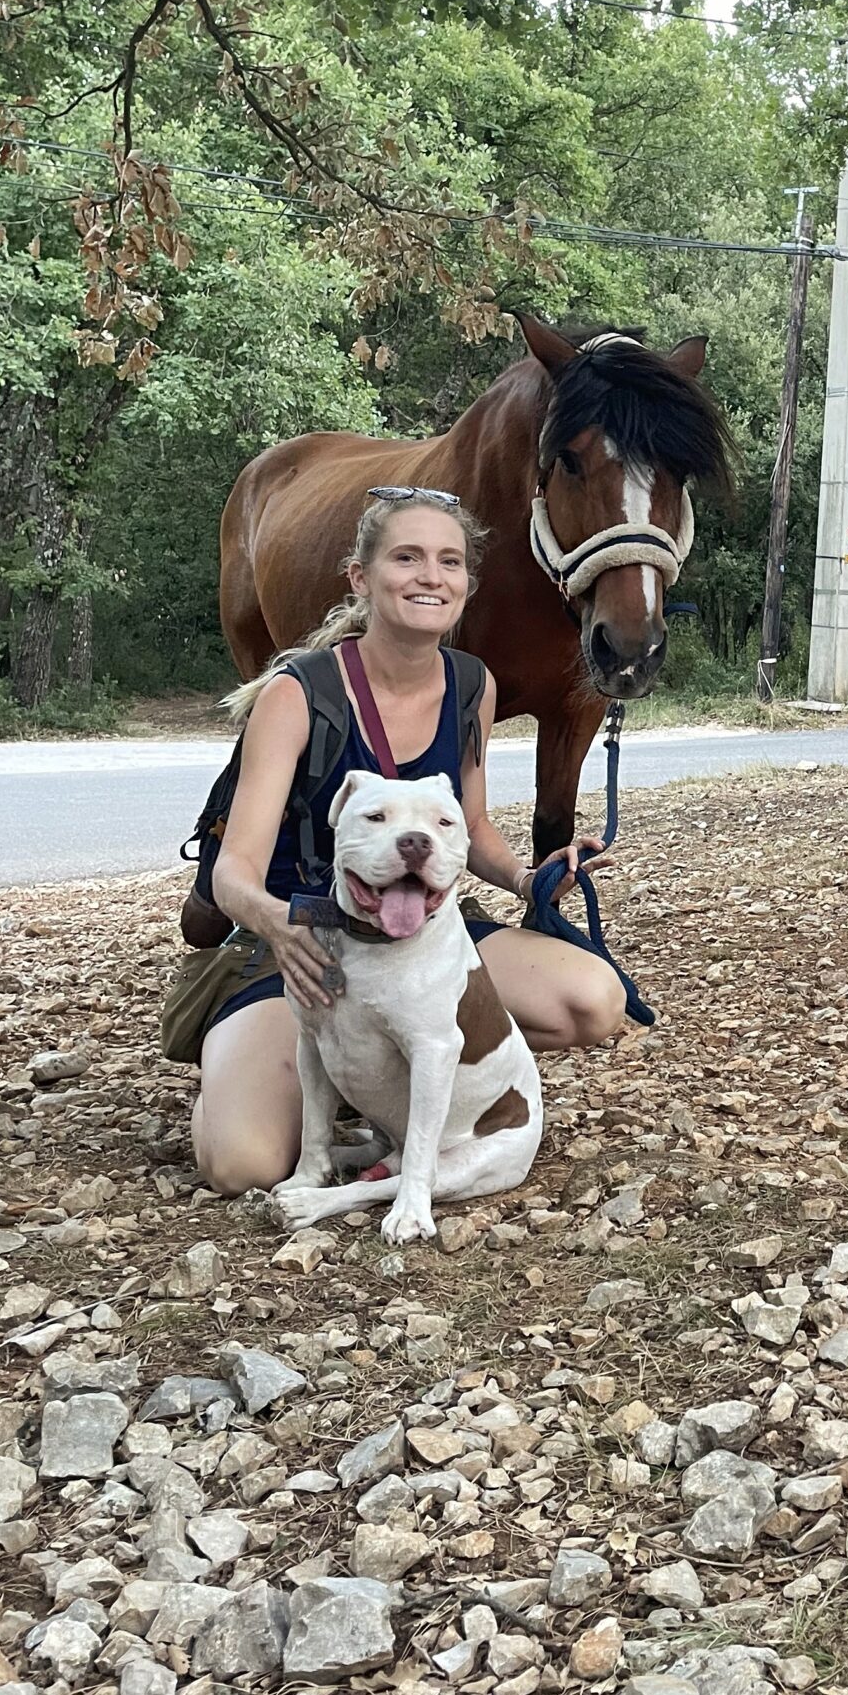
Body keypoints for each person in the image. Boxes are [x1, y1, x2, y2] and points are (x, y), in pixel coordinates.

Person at [190, 490, 628, 1192]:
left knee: (592, 1001)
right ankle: (260, 1070)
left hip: (416, 929)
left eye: (449, 561)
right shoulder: (296, 694)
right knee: (242, 1164)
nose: (432, 576)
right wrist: (278, 926)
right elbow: (235, 870)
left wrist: (526, 879)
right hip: (304, 934)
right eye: (407, 557)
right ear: (360, 577)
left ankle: (396, 1085)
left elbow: (473, 826)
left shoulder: (471, 686)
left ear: (467, 584)